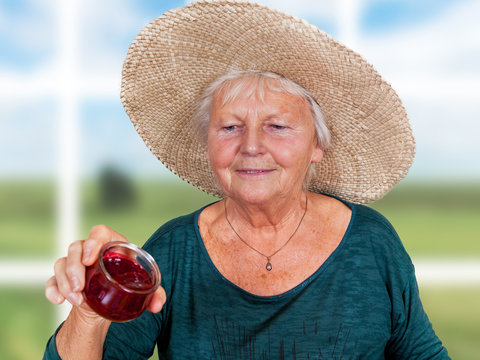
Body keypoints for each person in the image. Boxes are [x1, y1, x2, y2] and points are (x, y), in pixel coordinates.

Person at [43, 1, 449, 359]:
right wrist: (88, 314)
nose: (252, 146)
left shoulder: (372, 243)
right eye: (231, 127)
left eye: (277, 126)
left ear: (316, 146)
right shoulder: (173, 252)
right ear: (208, 147)